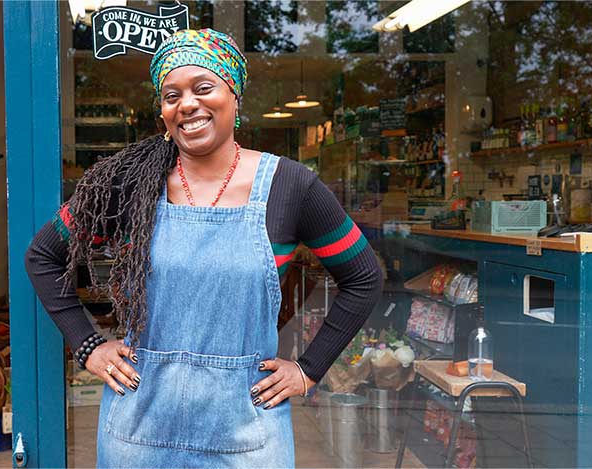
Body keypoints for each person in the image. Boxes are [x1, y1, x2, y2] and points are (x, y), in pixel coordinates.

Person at [25, 28, 382, 468]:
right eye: (171, 95)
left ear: (234, 95)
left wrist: (309, 369)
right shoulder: (129, 184)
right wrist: (87, 346)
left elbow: (364, 277)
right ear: (163, 112)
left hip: (248, 434)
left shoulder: (290, 188)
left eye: (203, 87)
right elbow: (43, 256)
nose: (186, 104)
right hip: (139, 433)